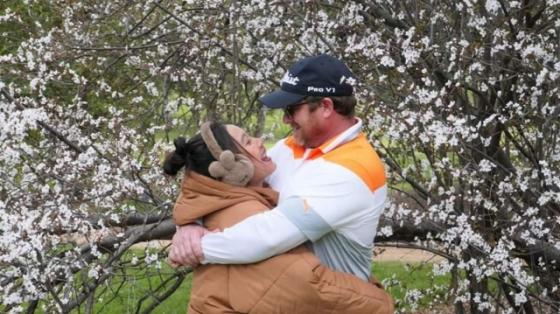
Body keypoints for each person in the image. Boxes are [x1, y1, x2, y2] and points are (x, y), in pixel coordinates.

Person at [169, 54, 388, 283]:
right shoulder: (292, 146)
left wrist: (196, 248)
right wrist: (190, 225)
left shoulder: (353, 171)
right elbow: (218, 183)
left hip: (332, 300)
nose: (285, 119)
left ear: (325, 107)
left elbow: (270, 235)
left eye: (291, 109)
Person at [164, 121, 393, 313]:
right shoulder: (245, 214)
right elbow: (309, 289)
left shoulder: (223, 200)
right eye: (247, 142)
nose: (260, 140)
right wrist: (377, 302)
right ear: (230, 168)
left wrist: (189, 228)